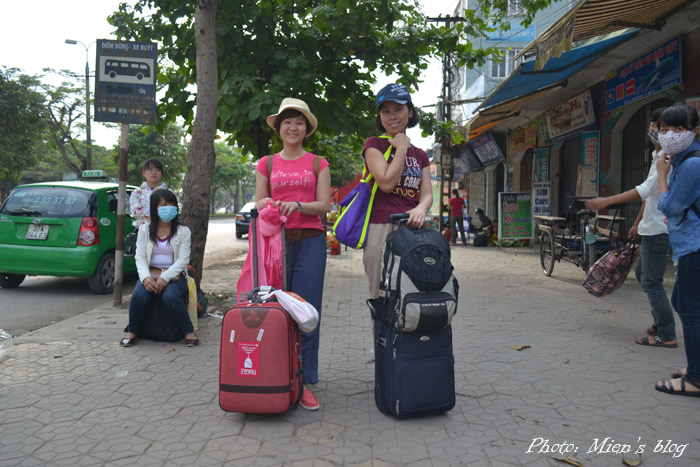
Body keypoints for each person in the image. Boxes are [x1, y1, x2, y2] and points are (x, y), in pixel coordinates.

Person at [255, 97, 330, 411]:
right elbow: (260, 201)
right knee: (277, 307)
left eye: (299, 121)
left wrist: (298, 206)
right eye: (287, 121)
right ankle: (280, 371)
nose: (293, 127)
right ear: (279, 127)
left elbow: (324, 205)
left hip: (311, 240)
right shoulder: (266, 163)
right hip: (276, 244)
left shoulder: (318, 163)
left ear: (306, 128)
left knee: (307, 310)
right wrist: (268, 206)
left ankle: (305, 376)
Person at [585, 107, 677, 348]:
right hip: (650, 227)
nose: (655, 131)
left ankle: (666, 333)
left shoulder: (668, 159)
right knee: (643, 276)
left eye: (661, 128)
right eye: (656, 127)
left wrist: (605, 201)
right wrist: (637, 223)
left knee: (651, 282)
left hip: (660, 231)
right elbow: (649, 199)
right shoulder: (657, 157)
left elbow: (644, 191)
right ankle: (661, 323)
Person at [362, 83, 433, 299]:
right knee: (381, 297)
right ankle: (381, 335)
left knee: (413, 293)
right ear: (379, 116)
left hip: (413, 229)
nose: (393, 116)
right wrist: (401, 147)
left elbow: (427, 193)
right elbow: (385, 183)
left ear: (410, 112)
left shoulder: (420, 155)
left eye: (399, 109)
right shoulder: (374, 145)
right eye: (386, 111)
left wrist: (421, 209)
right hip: (380, 227)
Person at [654, 103, 700, 397]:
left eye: (678, 129)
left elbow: (669, 205)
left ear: (694, 132)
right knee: (682, 303)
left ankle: (695, 378)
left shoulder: (693, 164)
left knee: (690, 309)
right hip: (689, 245)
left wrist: (661, 174)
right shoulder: (683, 161)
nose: (670, 135)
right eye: (664, 129)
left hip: (695, 246)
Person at [121, 189, 197, 347]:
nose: (168, 208)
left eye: (172, 205)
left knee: (170, 297)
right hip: (150, 274)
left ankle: (189, 332)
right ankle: (132, 331)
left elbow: (183, 259)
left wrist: (165, 277)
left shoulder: (183, 231)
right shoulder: (144, 230)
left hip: (175, 275)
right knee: (138, 296)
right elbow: (140, 257)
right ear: (155, 208)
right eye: (164, 205)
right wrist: (145, 278)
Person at [130, 158, 168, 228]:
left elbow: (168, 213)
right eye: (150, 170)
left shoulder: (168, 193)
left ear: (162, 174)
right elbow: (135, 213)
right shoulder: (137, 193)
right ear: (144, 173)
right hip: (142, 229)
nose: (153, 173)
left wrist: (145, 209)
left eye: (158, 170)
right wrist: (158, 210)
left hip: (163, 229)